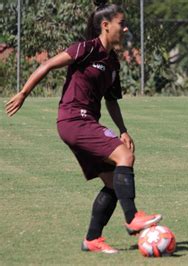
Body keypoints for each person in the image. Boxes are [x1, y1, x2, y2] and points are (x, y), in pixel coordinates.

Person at [5, 0, 162, 253]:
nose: (125, 29)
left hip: (86, 122)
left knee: (112, 182)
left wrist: (123, 129)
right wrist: (23, 92)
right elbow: (46, 65)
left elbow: (111, 100)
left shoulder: (112, 63)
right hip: (73, 120)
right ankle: (132, 217)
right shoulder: (86, 49)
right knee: (125, 156)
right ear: (105, 25)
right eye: (122, 24)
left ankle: (92, 239)